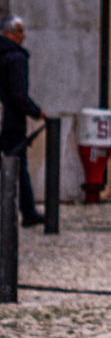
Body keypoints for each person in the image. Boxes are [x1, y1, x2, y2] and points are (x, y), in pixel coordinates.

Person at [0, 16, 42, 228]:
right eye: (19, 31)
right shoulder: (15, 58)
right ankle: (28, 211)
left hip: (5, 119)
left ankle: (27, 210)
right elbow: (18, 94)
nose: (23, 36)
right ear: (9, 33)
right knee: (17, 166)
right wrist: (36, 112)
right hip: (10, 123)